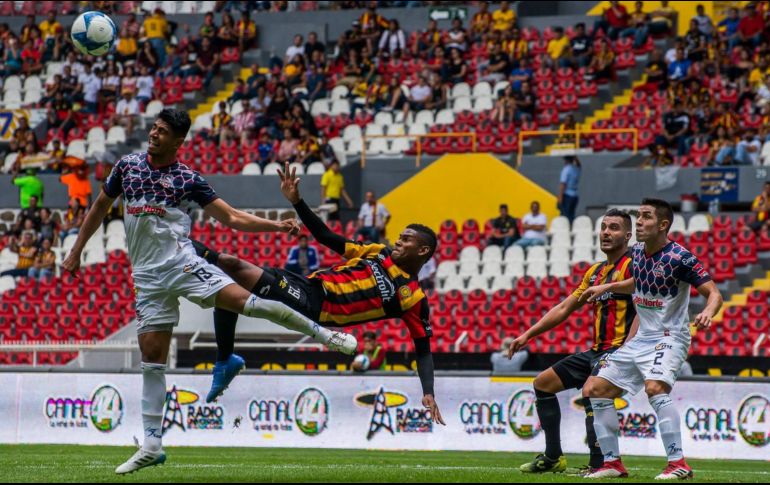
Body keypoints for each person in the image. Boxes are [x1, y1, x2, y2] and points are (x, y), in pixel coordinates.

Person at [60, 109, 356, 475]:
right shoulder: (127, 166)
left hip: (182, 265)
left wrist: (275, 226)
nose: (154, 134)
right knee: (151, 360)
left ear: (178, 141)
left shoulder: (188, 179)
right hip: (147, 279)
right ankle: (152, 445)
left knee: (251, 304)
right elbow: (100, 206)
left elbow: (231, 217)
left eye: (162, 131)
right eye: (153, 128)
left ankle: (326, 335)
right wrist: (75, 251)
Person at [191, 162, 445, 427]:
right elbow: (325, 236)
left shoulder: (413, 298)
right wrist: (297, 202)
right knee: (230, 285)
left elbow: (423, 350)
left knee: (232, 264)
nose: (398, 241)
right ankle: (225, 360)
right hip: (307, 284)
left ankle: (183, 246)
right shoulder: (377, 252)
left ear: (423, 251)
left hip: (317, 308)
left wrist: (428, 391)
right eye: (400, 237)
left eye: (406, 240)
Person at [580, 198, 723, 480]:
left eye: (645, 217)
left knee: (655, 388)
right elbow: (639, 281)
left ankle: (678, 463)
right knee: (595, 389)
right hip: (642, 337)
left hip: (669, 337)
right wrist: (608, 286)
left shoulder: (681, 258)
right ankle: (612, 463)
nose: (640, 222)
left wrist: (708, 312)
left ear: (663, 225)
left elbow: (715, 293)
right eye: (639, 216)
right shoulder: (636, 253)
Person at [509, 209, 636, 475]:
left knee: (592, 391)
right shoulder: (595, 272)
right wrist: (527, 334)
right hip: (597, 351)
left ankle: (600, 464)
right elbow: (565, 307)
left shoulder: (635, 264)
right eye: (603, 227)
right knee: (543, 384)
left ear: (628, 235)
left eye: (613, 227)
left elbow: (651, 292)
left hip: (623, 350)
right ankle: (553, 457)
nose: (606, 232)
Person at [559, 156, 581, 224]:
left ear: (566, 160)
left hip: (567, 195)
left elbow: (563, 184)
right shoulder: (576, 169)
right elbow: (579, 165)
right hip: (575, 195)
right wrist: (576, 158)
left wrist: (560, 196)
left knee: (565, 216)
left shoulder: (566, 169)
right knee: (571, 215)